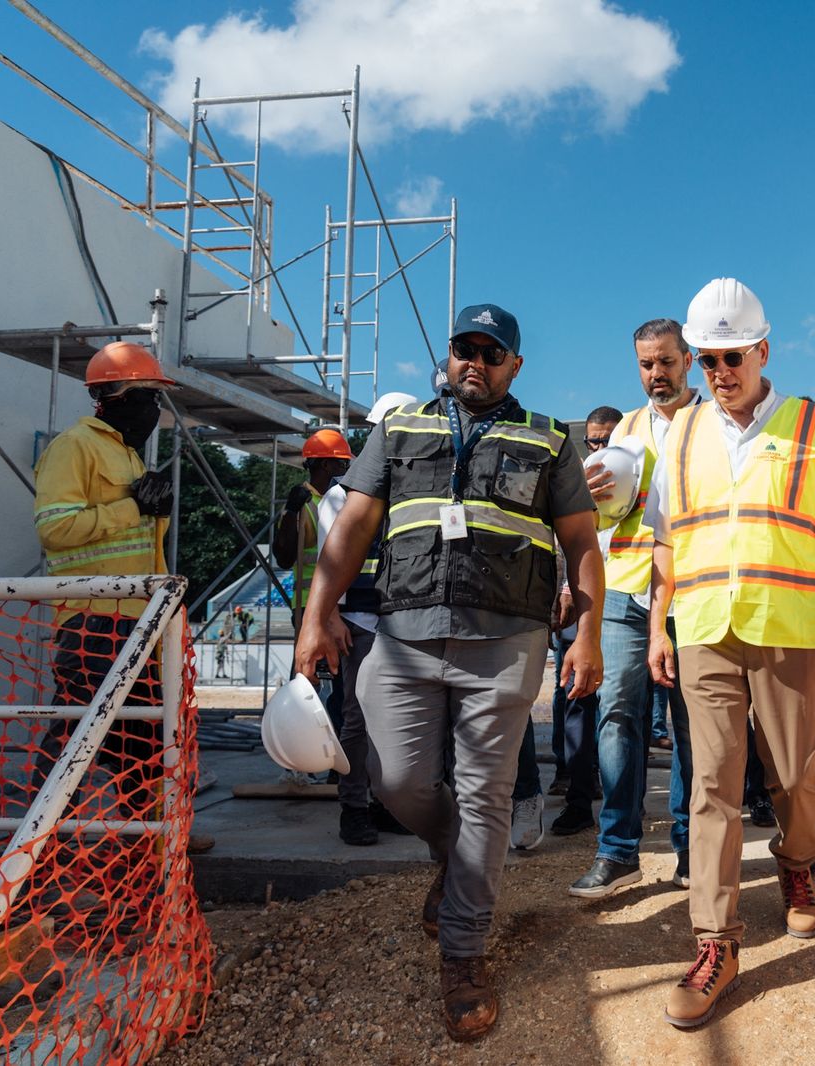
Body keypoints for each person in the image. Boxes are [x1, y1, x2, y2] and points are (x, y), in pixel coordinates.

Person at [294, 303, 603, 1043]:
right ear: (449, 354)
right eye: (465, 348)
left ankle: (464, 956)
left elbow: (584, 545)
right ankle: (454, 859)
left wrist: (587, 634)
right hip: (404, 635)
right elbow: (354, 526)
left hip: (508, 640)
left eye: (492, 353)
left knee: (485, 794)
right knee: (396, 781)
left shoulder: (550, 438)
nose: (477, 361)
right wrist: (317, 614)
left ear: (515, 366)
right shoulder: (398, 430)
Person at [648, 278, 815, 1028]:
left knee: (798, 775)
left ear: (763, 351)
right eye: (707, 360)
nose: (719, 374)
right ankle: (717, 942)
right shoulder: (679, 433)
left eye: (731, 357)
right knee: (712, 782)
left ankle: (797, 863)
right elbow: (665, 539)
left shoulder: (813, 425)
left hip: (794, 629)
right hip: (705, 624)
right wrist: (658, 625)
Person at [31, 341, 213, 854]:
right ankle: (37, 850)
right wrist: (133, 507)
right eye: (146, 396)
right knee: (79, 742)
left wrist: (151, 510)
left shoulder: (126, 453)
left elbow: (137, 547)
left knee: (141, 744)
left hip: (136, 625)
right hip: (92, 622)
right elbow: (56, 529)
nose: (154, 410)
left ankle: (150, 844)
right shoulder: (76, 446)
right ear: (111, 395)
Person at [569, 325, 703, 898]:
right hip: (628, 589)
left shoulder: (716, 423)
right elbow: (602, 521)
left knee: (694, 728)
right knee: (617, 716)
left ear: (689, 360)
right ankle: (617, 849)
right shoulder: (625, 427)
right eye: (646, 365)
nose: (656, 375)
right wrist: (595, 503)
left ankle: (692, 851)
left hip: (696, 592)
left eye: (666, 362)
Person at [318, 391, 417, 846]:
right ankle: (353, 808)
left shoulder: (415, 491)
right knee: (357, 721)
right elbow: (331, 561)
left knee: (396, 722)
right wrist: (330, 617)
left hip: (401, 623)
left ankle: (383, 803)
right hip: (358, 621)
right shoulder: (342, 496)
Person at [545, 407, 620, 841]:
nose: (599, 448)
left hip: (624, 605)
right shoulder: (574, 477)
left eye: (607, 439)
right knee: (574, 698)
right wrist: (567, 593)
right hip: (580, 606)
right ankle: (577, 794)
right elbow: (566, 542)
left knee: (619, 711)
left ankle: (614, 801)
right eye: (592, 440)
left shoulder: (633, 476)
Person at [273, 430, 353, 628]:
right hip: (310, 604)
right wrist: (291, 512)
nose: (347, 469)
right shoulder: (304, 504)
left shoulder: (345, 500)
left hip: (343, 601)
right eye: (343, 464)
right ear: (326, 465)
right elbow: (284, 559)